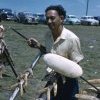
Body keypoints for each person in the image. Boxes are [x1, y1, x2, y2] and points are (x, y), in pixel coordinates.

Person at [27, 5, 84, 100]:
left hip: (68, 82)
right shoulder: (48, 35)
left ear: (61, 19)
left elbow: (76, 65)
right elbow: (50, 53)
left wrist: (60, 70)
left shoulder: (72, 39)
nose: (49, 21)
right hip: (51, 78)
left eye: (52, 18)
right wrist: (38, 46)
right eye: (47, 18)